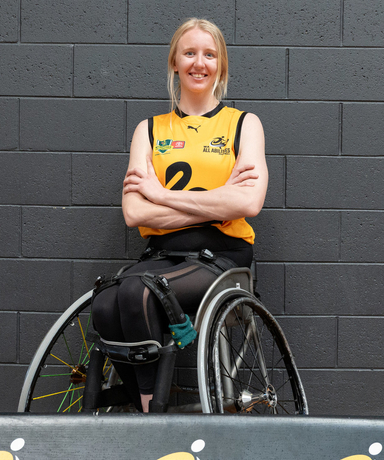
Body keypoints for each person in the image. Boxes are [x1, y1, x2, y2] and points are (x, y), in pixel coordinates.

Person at [91, 17, 267, 413]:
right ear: (174, 62)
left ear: (221, 65)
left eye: (209, 55)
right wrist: (217, 201)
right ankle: (144, 403)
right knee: (104, 303)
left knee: (138, 292)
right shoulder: (149, 130)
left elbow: (248, 204)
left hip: (222, 257)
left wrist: (162, 196)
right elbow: (134, 212)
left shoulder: (244, 125)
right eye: (189, 53)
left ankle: (153, 414)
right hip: (162, 256)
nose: (199, 63)